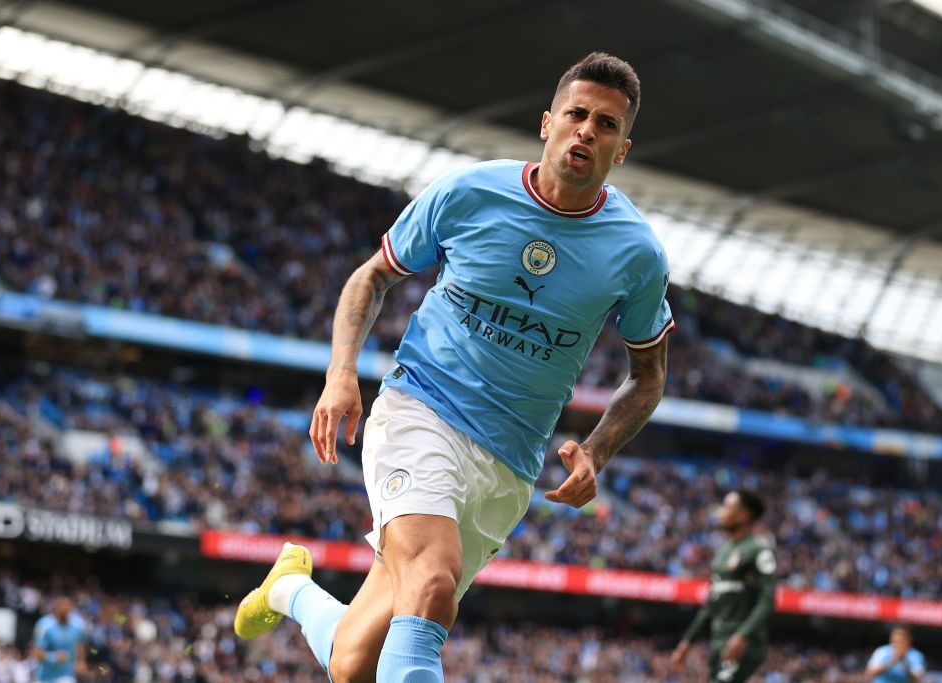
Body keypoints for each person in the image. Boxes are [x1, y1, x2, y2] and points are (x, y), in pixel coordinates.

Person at [234, 51, 674, 682]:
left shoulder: (636, 253)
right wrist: (341, 374)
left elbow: (648, 376)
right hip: (422, 410)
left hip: (511, 462)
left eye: (606, 125)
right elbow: (372, 277)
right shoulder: (470, 192)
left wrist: (599, 451)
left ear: (621, 150)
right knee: (434, 579)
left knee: (355, 665)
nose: (587, 131)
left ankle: (288, 592)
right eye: (577, 114)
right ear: (547, 124)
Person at [671, 490, 777, 683]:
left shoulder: (758, 549)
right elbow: (711, 605)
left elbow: (767, 601)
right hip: (719, 642)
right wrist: (687, 642)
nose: (720, 512)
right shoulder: (723, 552)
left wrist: (742, 635)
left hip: (743, 644)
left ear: (744, 514)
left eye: (727, 507)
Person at [31, 597, 87, 683]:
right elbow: (36, 653)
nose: (65, 608)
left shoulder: (78, 625)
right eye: (62, 604)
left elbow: (80, 644)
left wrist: (80, 662)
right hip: (45, 677)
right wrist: (54, 657)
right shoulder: (43, 625)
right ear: (56, 606)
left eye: (68, 605)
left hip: (66, 676)